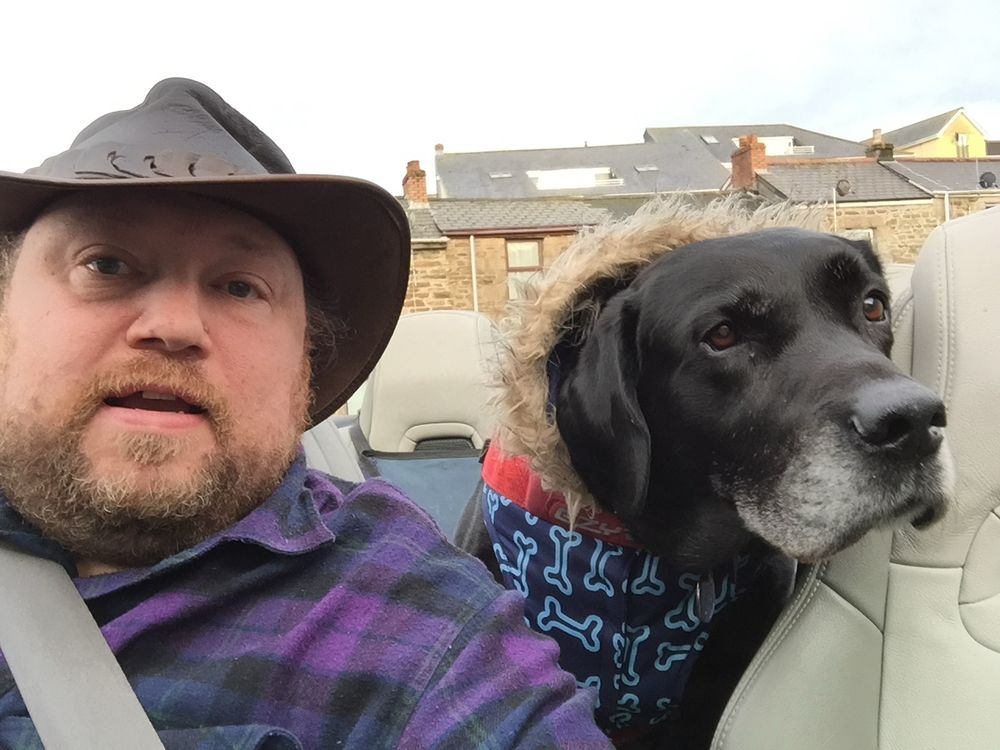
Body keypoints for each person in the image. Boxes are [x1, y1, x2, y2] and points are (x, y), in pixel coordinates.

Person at [0, 79, 612, 749]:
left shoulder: (428, 644)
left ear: (305, 367)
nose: (174, 325)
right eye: (106, 265)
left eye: (241, 287)